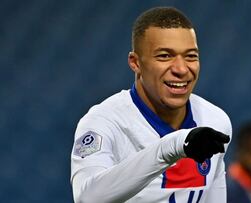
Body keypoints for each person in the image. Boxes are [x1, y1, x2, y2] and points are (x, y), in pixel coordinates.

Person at [70, 7, 232, 203]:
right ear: (135, 63)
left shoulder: (215, 120)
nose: (181, 69)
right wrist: (172, 146)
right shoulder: (104, 122)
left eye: (191, 56)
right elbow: (88, 198)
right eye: (164, 56)